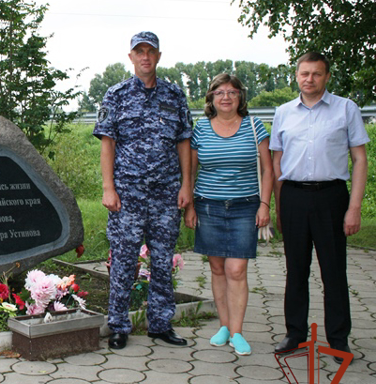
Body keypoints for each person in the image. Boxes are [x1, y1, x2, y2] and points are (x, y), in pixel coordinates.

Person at [93, 31, 193, 350]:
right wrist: (109, 188)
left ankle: (161, 324)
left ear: (159, 57)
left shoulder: (175, 96)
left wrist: (186, 186)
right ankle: (119, 325)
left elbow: (184, 143)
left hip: (166, 194)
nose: (145, 57)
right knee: (124, 261)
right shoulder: (116, 95)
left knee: (162, 261)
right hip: (127, 195)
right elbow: (107, 144)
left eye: (151, 51)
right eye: (140, 51)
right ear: (131, 57)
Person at [271, 52, 369, 362]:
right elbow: (277, 162)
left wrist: (354, 208)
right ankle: (295, 333)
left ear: (327, 77)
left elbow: (360, 159)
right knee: (296, 269)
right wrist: (278, 205)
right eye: (304, 73)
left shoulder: (345, 109)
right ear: (296, 76)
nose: (309, 79)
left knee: (334, 271)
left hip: (331, 197)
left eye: (316, 73)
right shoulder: (283, 113)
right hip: (294, 197)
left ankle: (338, 339)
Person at [183, 74, 272, 356]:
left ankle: (237, 331)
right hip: (208, 206)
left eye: (232, 92)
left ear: (240, 97)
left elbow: (268, 170)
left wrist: (265, 205)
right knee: (218, 268)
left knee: (236, 269)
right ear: (211, 98)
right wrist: (190, 207)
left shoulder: (254, 126)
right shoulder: (201, 129)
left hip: (245, 207)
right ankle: (223, 326)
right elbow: (191, 171)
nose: (226, 97)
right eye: (220, 92)